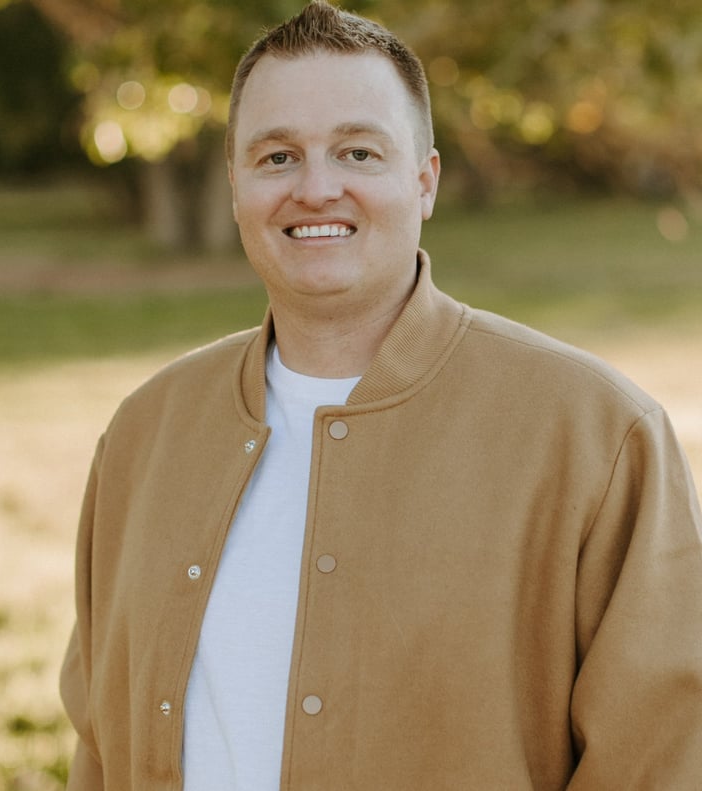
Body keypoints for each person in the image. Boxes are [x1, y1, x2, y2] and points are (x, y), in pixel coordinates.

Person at [60, 1, 702, 788]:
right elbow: (98, 740)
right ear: (235, 185)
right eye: (277, 157)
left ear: (425, 181)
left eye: (359, 153)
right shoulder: (144, 435)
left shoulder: (596, 435)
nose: (316, 188)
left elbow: (661, 758)